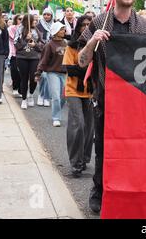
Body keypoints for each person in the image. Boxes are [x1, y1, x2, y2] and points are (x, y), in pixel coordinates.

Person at [78, 0, 146, 213]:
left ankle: (131, 191)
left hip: (136, 103)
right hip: (106, 100)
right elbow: (81, 62)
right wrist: (92, 42)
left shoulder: (145, 26)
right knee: (103, 150)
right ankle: (99, 191)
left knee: (134, 150)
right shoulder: (99, 22)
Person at [63, 15, 94, 177]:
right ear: (78, 27)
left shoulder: (96, 46)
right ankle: (75, 163)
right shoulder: (71, 46)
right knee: (78, 125)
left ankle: (83, 159)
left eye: (90, 25)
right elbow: (71, 69)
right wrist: (89, 70)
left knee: (89, 129)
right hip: (73, 90)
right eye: (83, 25)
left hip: (90, 92)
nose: (86, 27)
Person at [35, 22, 68, 127]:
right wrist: (38, 73)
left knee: (63, 97)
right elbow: (43, 60)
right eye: (62, 29)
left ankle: (56, 110)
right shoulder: (49, 45)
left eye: (64, 29)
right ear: (56, 31)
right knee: (56, 97)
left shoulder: (66, 43)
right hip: (52, 73)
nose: (64, 31)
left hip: (64, 73)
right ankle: (56, 117)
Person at [14, 15, 45, 109]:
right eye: (33, 20)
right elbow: (17, 45)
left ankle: (31, 94)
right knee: (24, 78)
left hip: (35, 58)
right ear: (28, 21)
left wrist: (35, 44)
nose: (35, 22)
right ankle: (24, 99)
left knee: (33, 78)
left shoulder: (38, 31)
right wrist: (26, 39)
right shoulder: (19, 30)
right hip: (22, 57)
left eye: (36, 20)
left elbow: (42, 45)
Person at [36, 7, 55, 107]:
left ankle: (46, 97)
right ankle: (41, 95)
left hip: (52, 54)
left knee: (49, 76)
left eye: (48, 14)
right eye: (45, 14)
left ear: (52, 16)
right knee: (43, 76)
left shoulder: (55, 25)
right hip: (42, 53)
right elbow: (37, 39)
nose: (46, 16)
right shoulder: (38, 26)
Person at [8, 14, 23, 96]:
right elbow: (14, 38)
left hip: (23, 53)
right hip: (13, 52)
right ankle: (15, 87)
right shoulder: (11, 28)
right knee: (14, 71)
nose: (21, 20)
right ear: (16, 19)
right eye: (19, 19)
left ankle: (21, 90)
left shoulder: (25, 29)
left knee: (22, 72)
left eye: (22, 19)